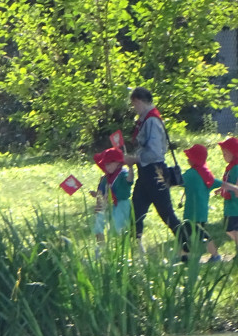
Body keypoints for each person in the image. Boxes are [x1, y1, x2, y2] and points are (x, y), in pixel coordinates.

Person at [122, 87, 184, 253]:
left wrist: (135, 159)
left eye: (134, 104)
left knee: (166, 213)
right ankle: (136, 250)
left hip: (155, 172)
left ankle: (187, 245)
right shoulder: (145, 120)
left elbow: (155, 152)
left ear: (139, 101)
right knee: (136, 212)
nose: (134, 108)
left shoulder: (152, 121)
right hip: (145, 173)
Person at [179, 144, 222, 262]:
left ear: (194, 159)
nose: (187, 159)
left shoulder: (190, 174)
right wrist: (233, 188)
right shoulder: (206, 173)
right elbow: (218, 182)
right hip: (202, 212)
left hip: (191, 213)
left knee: (192, 235)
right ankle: (184, 256)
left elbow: (178, 181)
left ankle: (214, 255)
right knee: (194, 234)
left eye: (189, 157)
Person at [89, 147, 133, 246]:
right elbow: (101, 193)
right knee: (98, 223)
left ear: (118, 163)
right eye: (105, 164)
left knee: (118, 228)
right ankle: (101, 247)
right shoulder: (105, 178)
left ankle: (119, 248)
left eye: (109, 164)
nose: (106, 167)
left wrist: (131, 168)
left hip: (121, 205)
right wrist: (96, 195)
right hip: (106, 204)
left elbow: (129, 180)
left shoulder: (123, 174)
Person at [215, 137, 238, 256]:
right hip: (229, 205)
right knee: (229, 229)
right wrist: (221, 189)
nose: (223, 156)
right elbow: (228, 181)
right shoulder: (230, 167)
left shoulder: (237, 167)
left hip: (235, 206)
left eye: (225, 153)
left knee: (232, 229)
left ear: (234, 153)